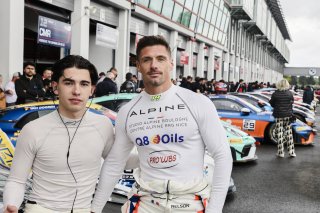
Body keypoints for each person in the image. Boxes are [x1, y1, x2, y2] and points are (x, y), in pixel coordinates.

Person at [91, 35, 232, 213]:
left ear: (171, 64)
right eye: (147, 59)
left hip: (189, 203)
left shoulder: (198, 102)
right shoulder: (127, 112)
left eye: (160, 59)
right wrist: (94, 209)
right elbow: (114, 163)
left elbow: (222, 155)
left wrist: (215, 210)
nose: (154, 65)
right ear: (138, 66)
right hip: (145, 203)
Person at [3, 55, 115, 213]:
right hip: (40, 209)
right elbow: (16, 180)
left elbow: (119, 162)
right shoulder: (33, 129)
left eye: (84, 84)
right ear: (55, 87)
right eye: (69, 83)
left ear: (92, 89)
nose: (76, 91)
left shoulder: (104, 125)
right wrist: (11, 204)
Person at [269, 79, 296, 158]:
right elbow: (292, 103)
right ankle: (292, 152)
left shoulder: (275, 94)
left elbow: (272, 104)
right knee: (289, 133)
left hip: (278, 116)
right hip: (288, 115)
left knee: (280, 134)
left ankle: (281, 153)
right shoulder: (290, 93)